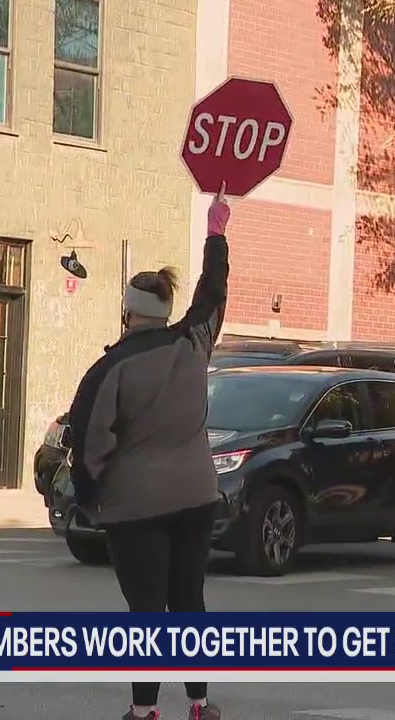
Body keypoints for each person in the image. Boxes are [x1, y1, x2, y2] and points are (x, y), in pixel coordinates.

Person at [66, 189, 231, 720]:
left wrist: (88, 497)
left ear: (127, 313)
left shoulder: (109, 370)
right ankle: (200, 704)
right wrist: (217, 232)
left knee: (147, 614)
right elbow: (212, 292)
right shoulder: (193, 343)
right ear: (163, 310)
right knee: (189, 603)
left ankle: (143, 712)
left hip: (136, 507)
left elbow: (89, 441)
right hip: (196, 497)